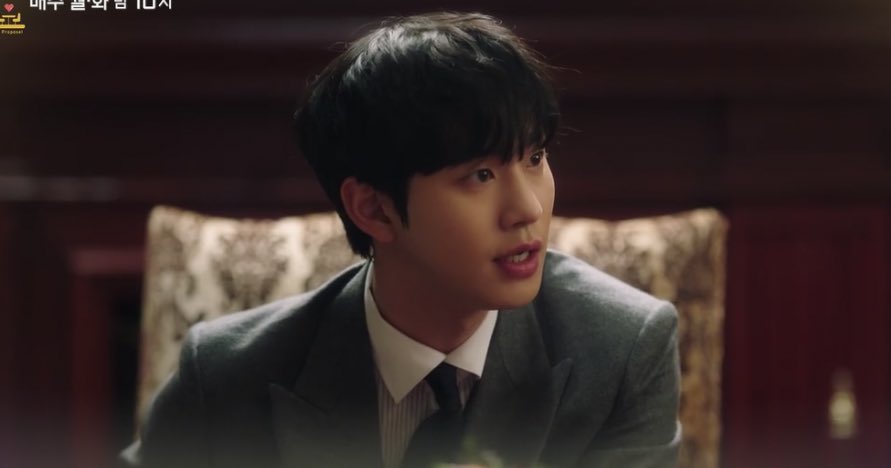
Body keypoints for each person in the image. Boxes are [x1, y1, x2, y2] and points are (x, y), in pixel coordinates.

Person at [120, 11, 680, 468]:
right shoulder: (227, 376)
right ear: (374, 208)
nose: (528, 209)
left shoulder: (623, 350)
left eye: (535, 158)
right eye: (480, 175)